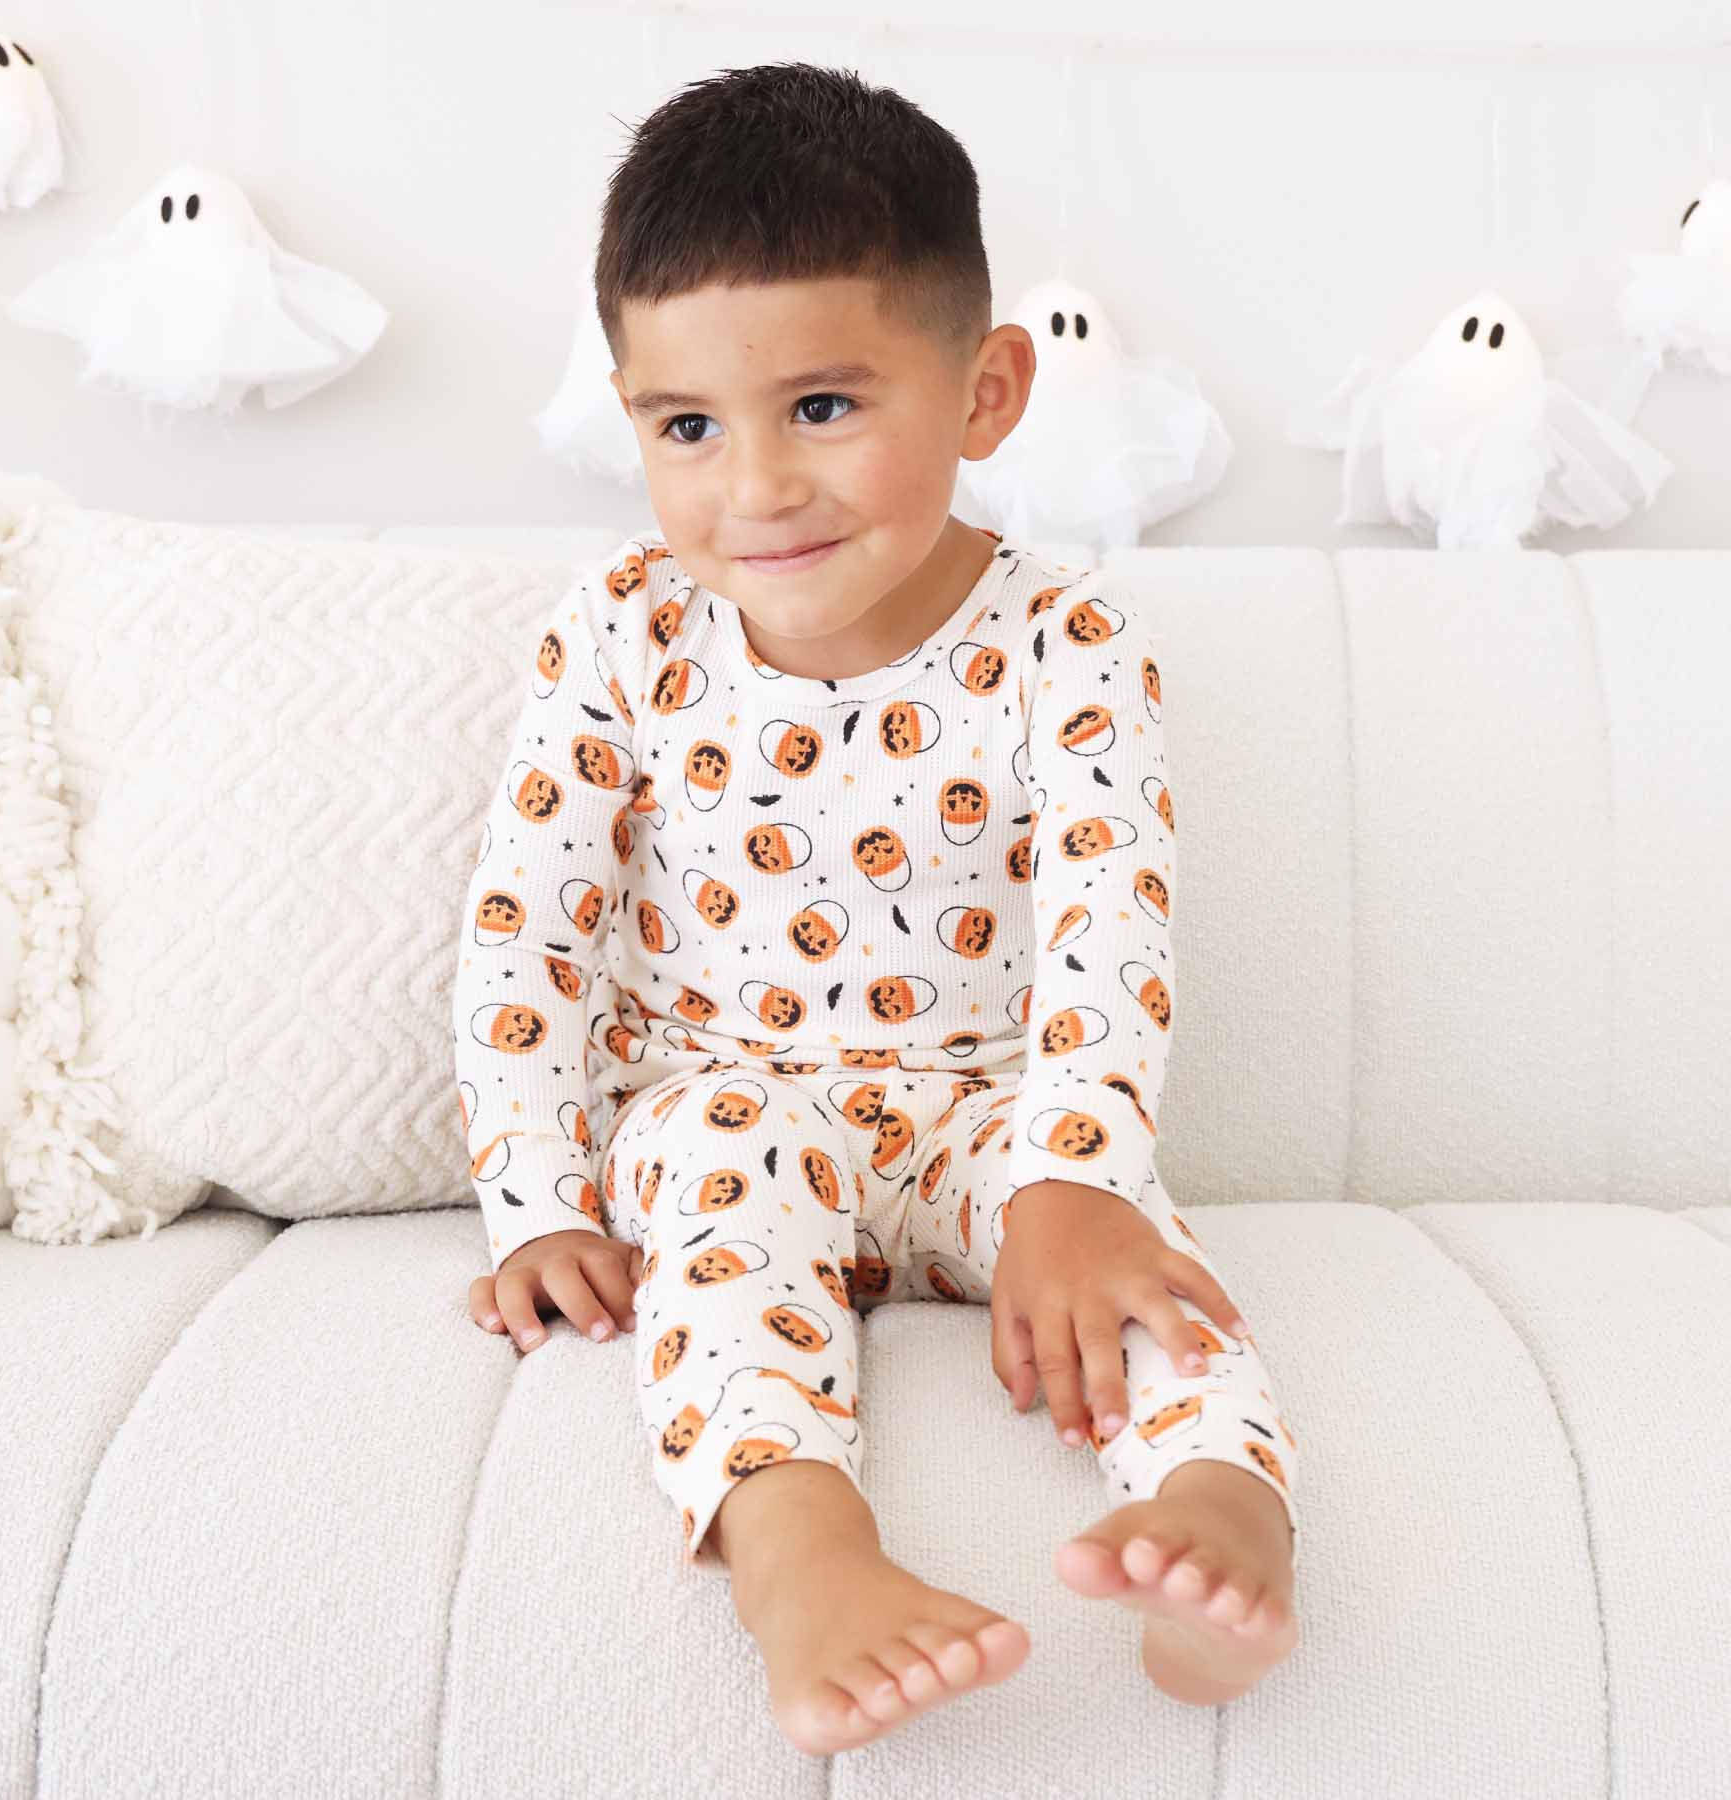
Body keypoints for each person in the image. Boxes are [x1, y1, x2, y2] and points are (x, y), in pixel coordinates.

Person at [450, 60, 1301, 1757]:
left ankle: (1223, 1509)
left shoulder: (1069, 646)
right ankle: (799, 1554)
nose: (755, 487)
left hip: (994, 1117)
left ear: (986, 393)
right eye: (688, 427)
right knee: (715, 1181)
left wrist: (1070, 1180)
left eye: (824, 407)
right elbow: (525, 931)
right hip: (729, 1101)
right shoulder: (620, 630)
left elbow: (1110, 934)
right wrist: (537, 1200)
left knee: (1139, 1262)